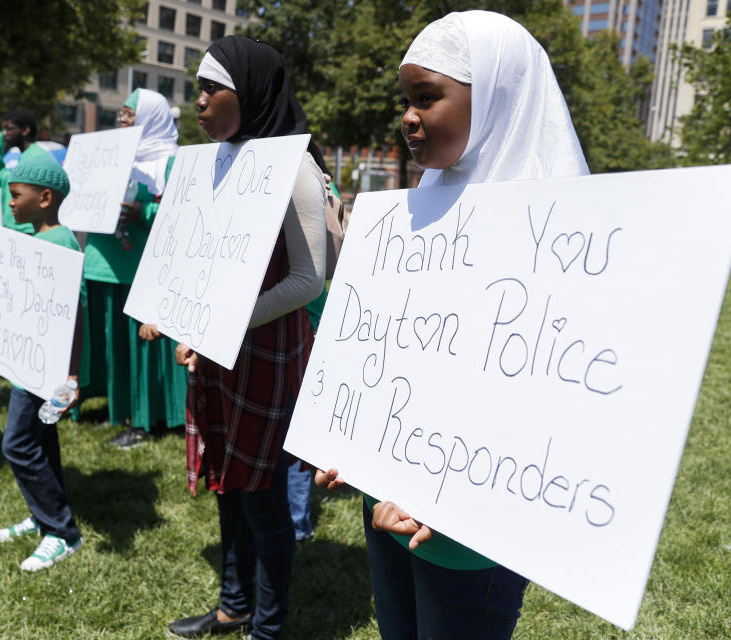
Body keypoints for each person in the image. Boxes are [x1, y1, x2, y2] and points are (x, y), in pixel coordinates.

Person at [315, 11, 589, 639]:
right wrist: (347, 437)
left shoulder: (564, 235)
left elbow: (549, 405)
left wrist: (449, 493)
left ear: (495, 98)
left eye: (427, 98)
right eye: (405, 100)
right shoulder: (411, 217)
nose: (408, 116)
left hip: (470, 531)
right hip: (385, 501)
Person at [164, 36, 328, 640]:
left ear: (251, 92)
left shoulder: (295, 166)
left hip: (265, 354)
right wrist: (186, 319)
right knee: (227, 486)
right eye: (197, 90)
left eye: (212, 89)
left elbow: (309, 279)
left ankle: (270, 626)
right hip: (220, 351)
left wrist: (222, 322)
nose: (199, 103)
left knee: (261, 499)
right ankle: (235, 606)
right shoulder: (217, 161)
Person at [0, 153, 85, 571]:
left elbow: (75, 313)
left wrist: (72, 375)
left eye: (15, 195)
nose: (9, 202)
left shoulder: (59, 244)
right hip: (28, 361)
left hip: (45, 371)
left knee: (18, 444)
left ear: (44, 198)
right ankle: (42, 512)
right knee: (41, 441)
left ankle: (61, 532)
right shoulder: (41, 240)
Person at [78, 88, 186, 449]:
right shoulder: (110, 155)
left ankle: (145, 419)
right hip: (101, 263)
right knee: (110, 343)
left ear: (151, 118)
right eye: (121, 114)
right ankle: (115, 405)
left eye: (129, 114)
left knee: (140, 348)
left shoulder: (169, 162)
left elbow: (182, 216)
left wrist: (145, 213)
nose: (122, 121)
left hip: (140, 270)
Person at [0, 109, 50, 234]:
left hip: (29, 231)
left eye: (9, 129)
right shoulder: (25, 155)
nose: (4, 134)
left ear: (25, 130)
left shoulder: (37, 157)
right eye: (3, 129)